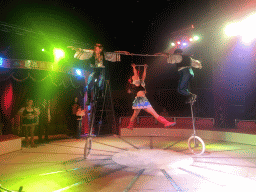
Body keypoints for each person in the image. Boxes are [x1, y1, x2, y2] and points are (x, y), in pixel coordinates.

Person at [127, 64, 176, 130]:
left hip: (144, 100)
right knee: (135, 115)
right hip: (140, 100)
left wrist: (145, 68)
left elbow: (144, 76)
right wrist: (134, 67)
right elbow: (135, 74)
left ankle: (166, 122)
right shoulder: (136, 82)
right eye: (133, 76)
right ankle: (130, 126)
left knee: (152, 113)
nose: (135, 76)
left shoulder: (142, 82)